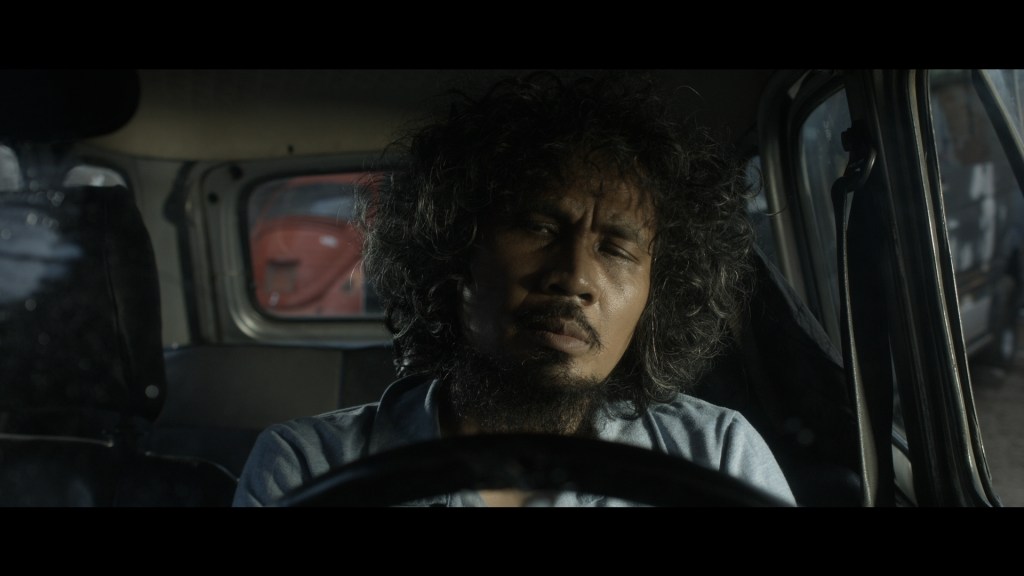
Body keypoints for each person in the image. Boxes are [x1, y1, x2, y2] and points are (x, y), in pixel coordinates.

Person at [233, 71, 796, 507]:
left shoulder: (715, 453)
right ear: (453, 252)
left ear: (658, 291)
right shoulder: (307, 466)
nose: (573, 278)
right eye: (538, 228)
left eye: (616, 249)